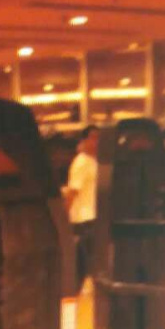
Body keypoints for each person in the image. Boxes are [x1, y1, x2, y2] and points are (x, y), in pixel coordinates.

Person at [65, 124, 99, 293]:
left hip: (92, 217)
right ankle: (76, 292)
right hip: (82, 219)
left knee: (91, 259)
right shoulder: (81, 162)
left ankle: (86, 289)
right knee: (83, 261)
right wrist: (64, 218)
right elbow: (72, 192)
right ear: (84, 140)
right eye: (93, 138)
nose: (97, 142)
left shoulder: (94, 161)